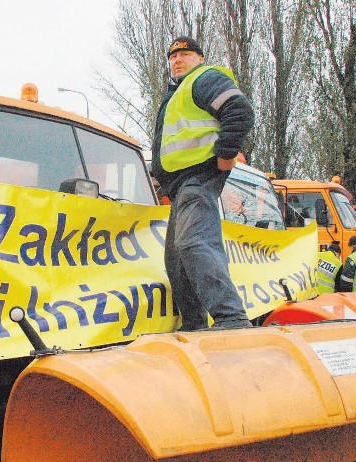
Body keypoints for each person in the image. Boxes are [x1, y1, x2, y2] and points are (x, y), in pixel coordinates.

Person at [151, 36, 254, 331]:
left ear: (199, 58)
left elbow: (240, 111)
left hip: (199, 177)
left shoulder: (204, 79)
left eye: (184, 54)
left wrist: (225, 155)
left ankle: (231, 318)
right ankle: (194, 325)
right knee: (177, 260)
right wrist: (163, 179)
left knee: (194, 243)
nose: (177, 60)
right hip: (183, 183)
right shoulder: (178, 94)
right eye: (172, 57)